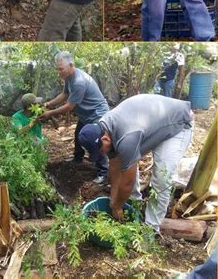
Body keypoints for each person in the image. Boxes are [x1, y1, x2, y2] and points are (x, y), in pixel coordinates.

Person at [78, 94, 194, 232]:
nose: (102, 154)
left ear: (105, 139)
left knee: (161, 180)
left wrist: (117, 206)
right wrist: (113, 199)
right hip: (150, 125)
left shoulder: (126, 139)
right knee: (125, 166)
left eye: (100, 151)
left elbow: (128, 182)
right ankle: (134, 206)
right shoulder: (104, 128)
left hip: (178, 124)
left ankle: (150, 229)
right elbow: (115, 165)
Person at [37, 51, 109, 183]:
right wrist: (48, 104)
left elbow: (69, 106)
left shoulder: (79, 82)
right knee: (78, 135)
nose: (59, 72)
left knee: (96, 141)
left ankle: (102, 172)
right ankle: (78, 157)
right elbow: (64, 94)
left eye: (61, 69)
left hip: (97, 114)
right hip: (85, 114)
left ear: (71, 65)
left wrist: (50, 113)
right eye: (57, 69)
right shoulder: (69, 77)